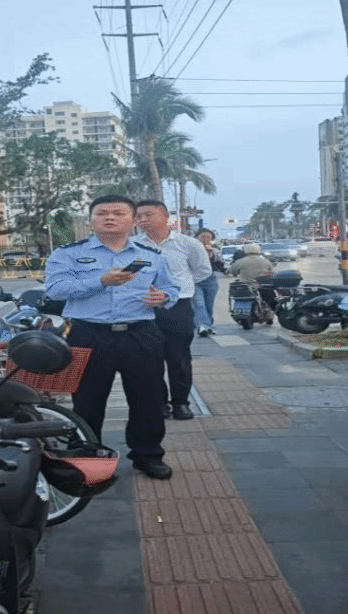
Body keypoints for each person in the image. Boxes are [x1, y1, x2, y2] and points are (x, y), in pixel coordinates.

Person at [44, 194, 181, 480]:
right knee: (87, 400)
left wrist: (163, 297)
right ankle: (86, 454)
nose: (110, 217)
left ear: (133, 220)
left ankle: (148, 455)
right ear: (91, 220)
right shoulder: (68, 254)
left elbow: (171, 288)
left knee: (149, 398)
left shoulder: (151, 255)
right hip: (88, 333)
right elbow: (56, 290)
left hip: (141, 333)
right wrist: (101, 281)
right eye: (102, 213)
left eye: (118, 213)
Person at [134, 201, 211, 421]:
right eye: (139, 216)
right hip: (143, 308)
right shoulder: (132, 245)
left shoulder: (188, 243)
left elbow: (202, 271)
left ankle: (181, 403)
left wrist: (178, 288)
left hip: (178, 308)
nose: (143, 220)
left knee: (179, 358)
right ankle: (159, 403)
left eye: (149, 215)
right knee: (149, 359)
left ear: (166, 216)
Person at [192, 228, 225, 337]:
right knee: (199, 304)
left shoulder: (214, 250)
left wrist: (210, 253)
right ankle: (203, 326)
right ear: (196, 237)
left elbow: (221, 264)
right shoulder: (190, 248)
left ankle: (208, 325)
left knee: (209, 305)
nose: (205, 239)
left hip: (210, 280)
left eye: (208, 237)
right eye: (202, 237)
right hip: (195, 280)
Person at [228, 243, 277, 310]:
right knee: (273, 303)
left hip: (245, 287)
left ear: (245, 251)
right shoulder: (265, 261)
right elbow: (272, 273)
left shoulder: (240, 261)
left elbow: (233, 272)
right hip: (261, 287)